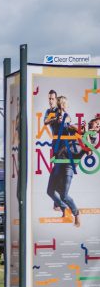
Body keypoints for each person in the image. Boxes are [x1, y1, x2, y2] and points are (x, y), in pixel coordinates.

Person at [46, 96, 81, 228]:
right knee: (50, 191)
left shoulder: (67, 119)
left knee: (64, 194)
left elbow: (71, 127)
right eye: (62, 105)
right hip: (58, 158)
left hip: (67, 160)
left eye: (63, 105)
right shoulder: (55, 119)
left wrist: (68, 125)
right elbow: (48, 122)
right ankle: (63, 208)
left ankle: (76, 213)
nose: (62, 108)